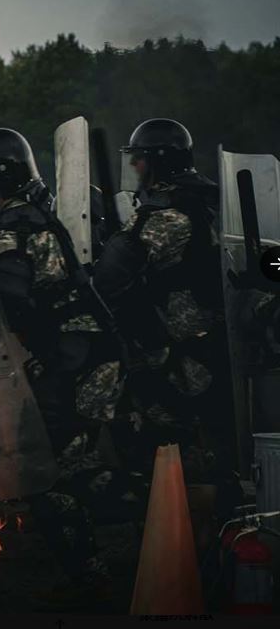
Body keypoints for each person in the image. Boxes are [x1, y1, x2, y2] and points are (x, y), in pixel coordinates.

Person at [0, 127, 148, 599]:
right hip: (83, 353)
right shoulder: (31, 218)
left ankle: (93, 577)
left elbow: (7, 295)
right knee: (74, 463)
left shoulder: (14, 227)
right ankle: (159, 506)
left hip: (78, 358)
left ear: (0, 180)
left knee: (42, 469)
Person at [91, 118, 240, 516]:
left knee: (164, 440)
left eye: (139, 161)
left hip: (182, 354)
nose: (135, 169)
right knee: (224, 438)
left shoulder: (165, 216)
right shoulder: (219, 200)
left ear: (158, 163)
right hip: (229, 343)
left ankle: (191, 534)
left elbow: (108, 279)